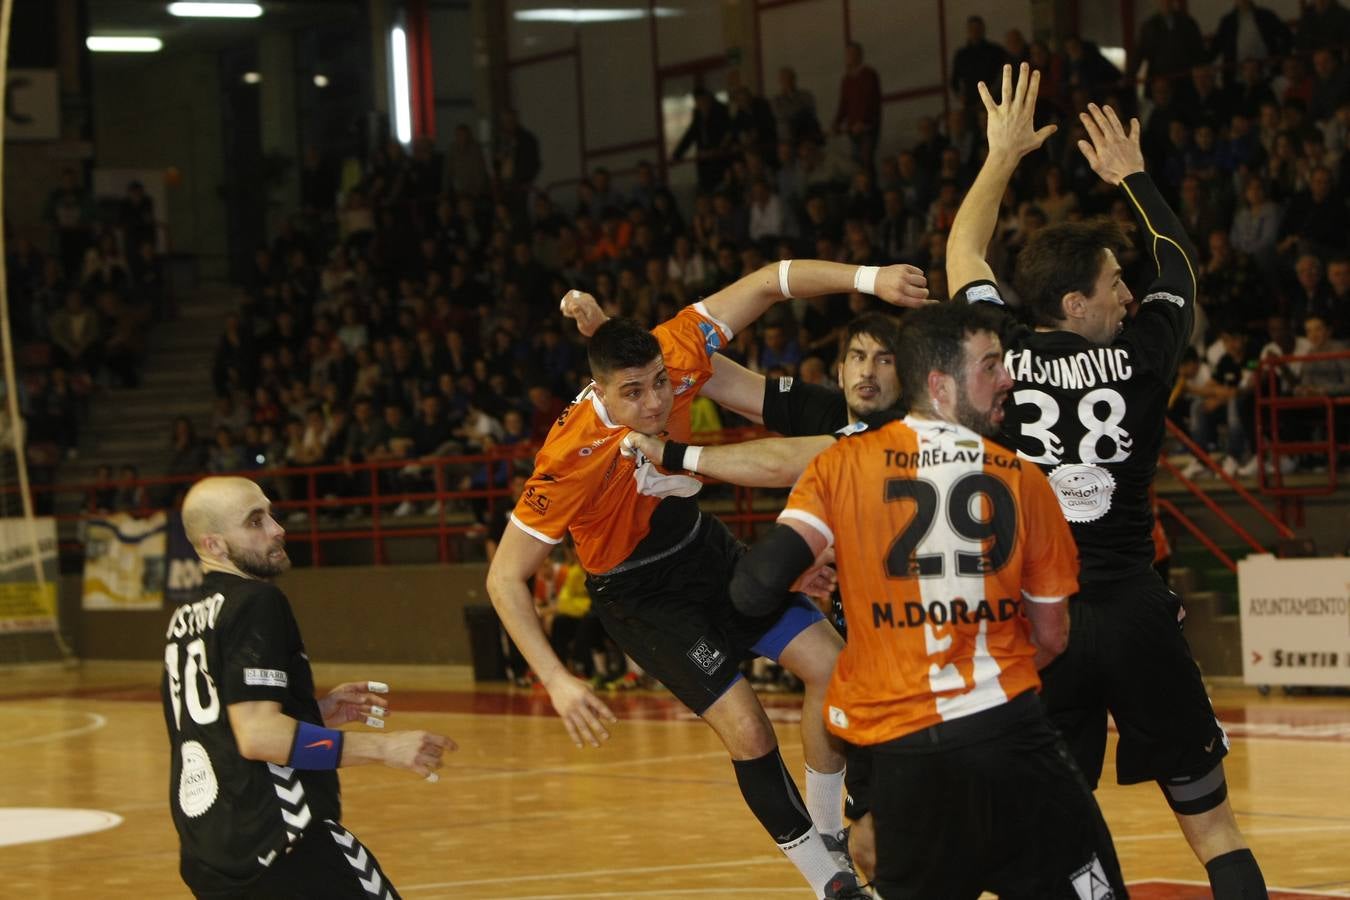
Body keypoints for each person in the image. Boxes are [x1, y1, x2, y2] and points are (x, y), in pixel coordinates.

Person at [487, 262, 928, 900]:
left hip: (701, 547)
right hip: (638, 593)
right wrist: (555, 679)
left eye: (661, 385)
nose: (656, 403)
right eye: (634, 393)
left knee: (833, 667)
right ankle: (830, 882)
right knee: (747, 726)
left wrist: (869, 278)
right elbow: (504, 578)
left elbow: (771, 281)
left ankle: (829, 830)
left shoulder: (676, 350)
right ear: (599, 393)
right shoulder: (567, 460)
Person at [946, 63, 1268, 897]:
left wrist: (1002, 156)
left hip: (1041, 623)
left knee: (1055, 828)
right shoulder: (1145, 353)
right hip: (1132, 610)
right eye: (1111, 284)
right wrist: (1133, 179)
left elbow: (960, 249)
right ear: (1075, 303)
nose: (1127, 293)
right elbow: (1181, 270)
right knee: (1213, 826)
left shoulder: (1000, 357)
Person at [728, 300, 1127, 899]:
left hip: (905, 763)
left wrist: (801, 572)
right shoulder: (1021, 477)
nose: (1008, 378)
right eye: (990, 366)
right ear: (941, 384)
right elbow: (1052, 638)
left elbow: (752, 589)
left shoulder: (840, 467)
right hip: (1011, 739)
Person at [164, 476, 455, 899]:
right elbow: (260, 736)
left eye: (271, 514)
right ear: (214, 545)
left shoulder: (185, 617)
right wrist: (384, 748)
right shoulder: (256, 602)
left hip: (211, 853)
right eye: (255, 521)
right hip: (281, 843)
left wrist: (309, 711)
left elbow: (221, 728)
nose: (277, 529)